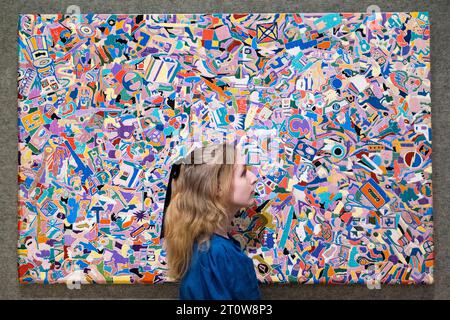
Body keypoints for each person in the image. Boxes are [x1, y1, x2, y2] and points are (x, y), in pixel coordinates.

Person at [161, 141, 261, 300]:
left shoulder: (213, 248)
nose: (254, 178)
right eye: (243, 173)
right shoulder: (215, 254)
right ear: (217, 187)